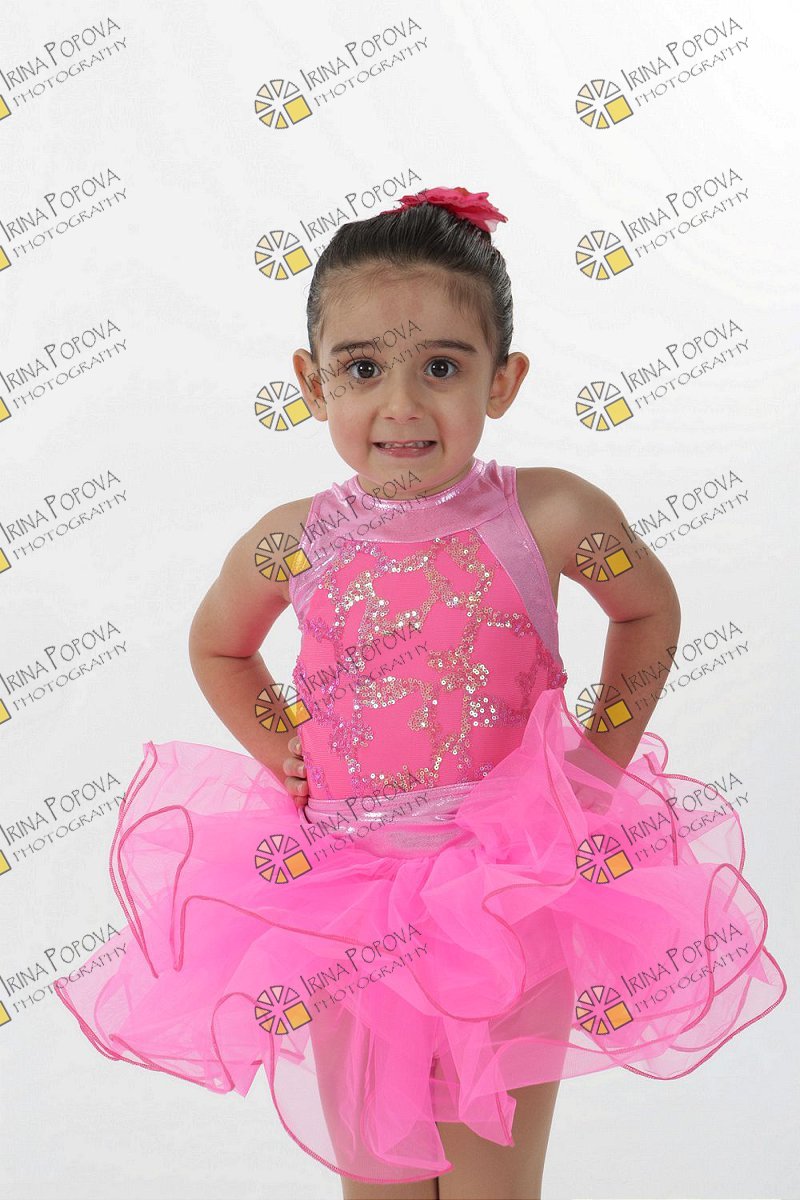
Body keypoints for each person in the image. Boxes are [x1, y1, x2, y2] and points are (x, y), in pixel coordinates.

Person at [54, 186, 787, 1200]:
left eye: (441, 367)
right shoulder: (292, 539)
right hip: (344, 899)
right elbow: (218, 646)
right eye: (362, 369)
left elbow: (646, 612)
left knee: (492, 1182)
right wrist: (279, 748)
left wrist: (594, 764)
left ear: (502, 380)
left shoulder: (549, 513)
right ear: (311, 383)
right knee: (380, 1177)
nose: (401, 404)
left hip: (511, 891)